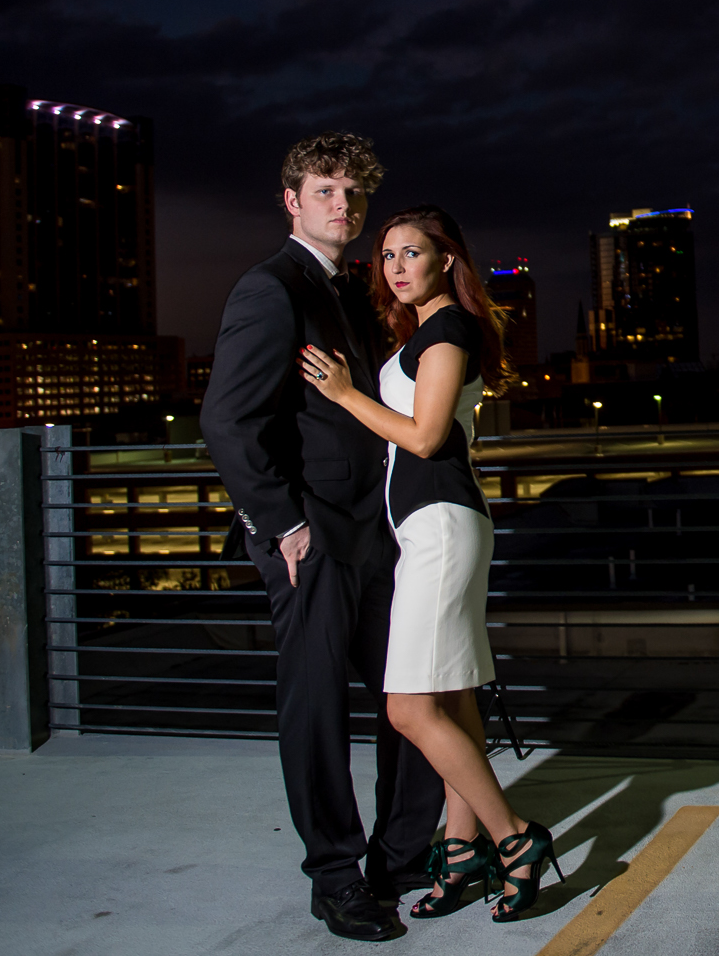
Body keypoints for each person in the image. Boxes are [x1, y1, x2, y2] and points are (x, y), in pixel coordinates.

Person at [200, 134, 441, 942]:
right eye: (327, 190)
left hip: (372, 532)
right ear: (292, 200)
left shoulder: (350, 292)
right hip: (310, 538)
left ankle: (402, 858)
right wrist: (283, 522)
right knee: (317, 714)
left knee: (409, 697)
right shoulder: (270, 288)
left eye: (354, 194)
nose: (344, 205)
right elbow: (229, 420)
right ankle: (335, 878)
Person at [300, 204, 564, 924]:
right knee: (451, 700)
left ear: (445, 257)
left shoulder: (448, 330)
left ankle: (514, 839)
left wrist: (345, 393)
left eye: (410, 252)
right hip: (430, 529)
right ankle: (457, 848)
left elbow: (423, 438)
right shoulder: (425, 331)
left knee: (409, 707)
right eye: (385, 256)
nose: (395, 267)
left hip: (443, 528)